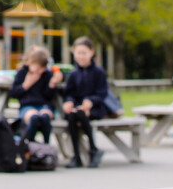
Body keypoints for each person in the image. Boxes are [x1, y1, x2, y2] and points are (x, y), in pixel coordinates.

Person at [62, 36, 107, 168]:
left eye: (84, 53)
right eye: (78, 53)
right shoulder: (73, 73)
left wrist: (90, 101)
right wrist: (69, 102)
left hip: (95, 108)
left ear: (91, 52)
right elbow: (69, 93)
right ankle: (76, 156)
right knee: (73, 114)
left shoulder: (99, 72)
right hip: (77, 108)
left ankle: (93, 149)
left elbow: (102, 94)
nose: (81, 56)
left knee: (80, 113)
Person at [9, 46, 63, 143]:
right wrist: (26, 85)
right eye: (38, 68)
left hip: (44, 105)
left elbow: (49, 96)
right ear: (30, 62)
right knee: (34, 118)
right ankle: (31, 144)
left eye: (43, 68)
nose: (40, 71)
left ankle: (46, 144)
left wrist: (52, 84)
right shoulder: (22, 73)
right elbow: (13, 93)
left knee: (45, 117)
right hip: (27, 106)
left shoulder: (47, 74)